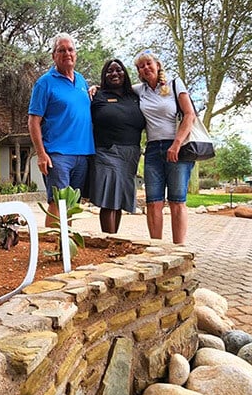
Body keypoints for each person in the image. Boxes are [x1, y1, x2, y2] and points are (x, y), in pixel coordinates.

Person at [28, 33, 95, 227]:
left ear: (76, 54)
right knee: (57, 203)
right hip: (57, 155)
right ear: (53, 55)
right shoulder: (44, 83)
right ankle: (52, 249)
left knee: (72, 205)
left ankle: (65, 250)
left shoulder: (82, 81)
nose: (67, 53)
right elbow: (33, 121)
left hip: (82, 154)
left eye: (70, 49)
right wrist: (41, 154)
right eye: (61, 50)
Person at [133, 50, 197, 244]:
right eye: (141, 66)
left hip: (177, 148)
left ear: (157, 65)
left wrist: (176, 144)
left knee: (177, 201)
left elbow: (189, 115)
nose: (146, 68)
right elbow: (116, 88)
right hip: (152, 150)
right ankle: (156, 249)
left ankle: (179, 249)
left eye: (149, 63)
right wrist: (95, 87)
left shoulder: (175, 84)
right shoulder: (139, 90)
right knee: (153, 203)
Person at [89, 59, 145, 233]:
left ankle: (114, 238)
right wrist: (94, 87)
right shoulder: (97, 96)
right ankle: (108, 240)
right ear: (104, 76)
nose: (114, 73)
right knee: (108, 200)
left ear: (125, 73)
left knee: (119, 200)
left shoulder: (135, 96)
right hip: (107, 151)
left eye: (118, 70)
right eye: (109, 71)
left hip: (130, 154)